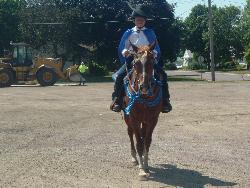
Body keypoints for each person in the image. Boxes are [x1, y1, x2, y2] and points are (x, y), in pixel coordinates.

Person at [110, 5, 172, 113]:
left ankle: (165, 101)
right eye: (137, 20)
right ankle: (117, 100)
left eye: (142, 20)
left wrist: (154, 53)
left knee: (163, 75)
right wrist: (124, 51)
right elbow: (123, 47)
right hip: (133, 58)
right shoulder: (129, 32)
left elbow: (156, 47)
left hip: (148, 59)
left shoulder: (150, 32)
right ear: (134, 21)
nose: (139, 21)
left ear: (145, 21)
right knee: (120, 76)